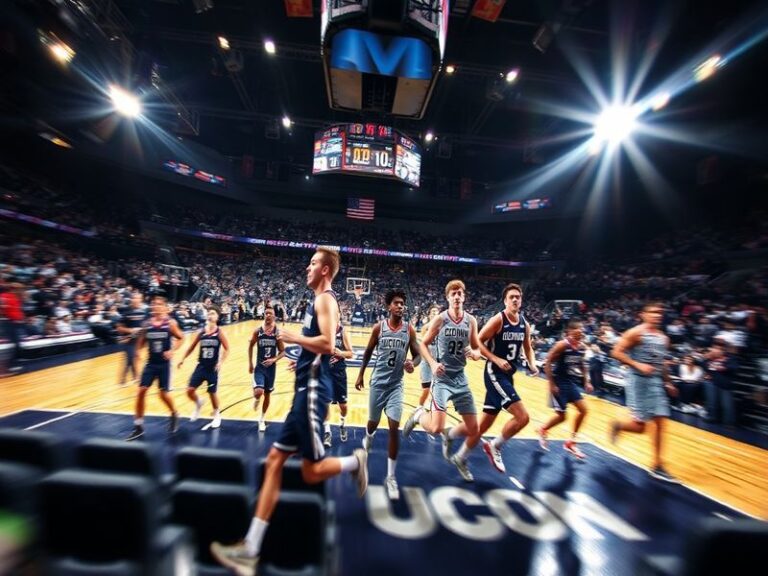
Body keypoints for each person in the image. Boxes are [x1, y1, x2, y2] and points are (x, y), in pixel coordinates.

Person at [211, 248, 368, 576]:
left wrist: (291, 337)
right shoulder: (317, 301)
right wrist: (302, 357)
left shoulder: (326, 299)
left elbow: (327, 343)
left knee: (310, 471)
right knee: (274, 462)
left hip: (312, 392)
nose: (307, 267)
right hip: (304, 387)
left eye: (313, 263)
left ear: (325, 270)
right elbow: (318, 349)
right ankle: (251, 548)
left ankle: (356, 461)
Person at [402, 279, 481, 482]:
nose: (456, 296)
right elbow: (424, 345)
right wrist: (433, 363)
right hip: (443, 379)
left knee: (474, 428)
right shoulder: (440, 319)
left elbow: (477, 348)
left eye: (459, 293)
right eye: (453, 293)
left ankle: (452, 439)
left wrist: (475, 352)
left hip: (460, 378)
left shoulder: (471, 321)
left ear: (464, 296)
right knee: (435, 428)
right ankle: (419, 415)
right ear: (447, 298)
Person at [455, 283, 538, 474]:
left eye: (518, 296)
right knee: (523, 417)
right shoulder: (498, 320)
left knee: (483, 425)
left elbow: (528, 348)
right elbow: (477, 341)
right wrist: (495, 358)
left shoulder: (524, 324)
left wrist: (532, 364)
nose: (516, 299)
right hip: (494, 373)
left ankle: (460, 456)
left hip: (508, 376)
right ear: (505, 301)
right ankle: (495, 446)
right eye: (512, 297)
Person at [355, 289, 421, 500]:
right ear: (388, 306)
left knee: (394, 428)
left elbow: (418, 354)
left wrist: (413, 362)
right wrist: (360, 375)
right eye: (396, 303)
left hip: (396, 386)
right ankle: (369, 436)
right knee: (373, 423)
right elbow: (366, 353)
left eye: (402, 303)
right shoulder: (379, 328)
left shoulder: (409, 330)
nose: (400, 306)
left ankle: (390, 477)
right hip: (377, 384)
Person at [610, 302, 679, 482]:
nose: (657, 315)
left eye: (660, 312)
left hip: (656, 382)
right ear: (643, 314)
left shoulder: (664, 339)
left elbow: (661, 363)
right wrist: (637, 364)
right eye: (653, 312)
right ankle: (618, 426)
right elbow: (616, 352)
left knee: (661, 421)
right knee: (640, 427)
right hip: (638, 381)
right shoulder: (636, 333)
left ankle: (657, 465)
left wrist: (668, 382)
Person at [126, 295, 184, 441]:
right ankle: (138, 426)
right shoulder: (147, 324)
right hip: (151, 363)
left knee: (163, 394)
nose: (156, 306)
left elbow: (181, 338)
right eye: (153, 304)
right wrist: (138, 353)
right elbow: (139, 343)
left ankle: (174, 413)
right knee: (141, 391)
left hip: (164, 364)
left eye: (159, 304)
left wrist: (172, 350)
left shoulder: (170, 323)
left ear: (165, 307)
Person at [538, 319, 593, 459]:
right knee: (562, 416)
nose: (581, 333)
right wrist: (551, 384)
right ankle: (543, 429)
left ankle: (571, 442)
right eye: (578, 331)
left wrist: (587, 381)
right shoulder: (562, 345)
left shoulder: (581, 347)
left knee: (584, 411)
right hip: (558, 381)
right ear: (569, 332)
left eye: (582, 331)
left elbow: (583, 365)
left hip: (570, 381)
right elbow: (547, 363)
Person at [177, 308, 229, 429]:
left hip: (212, 368)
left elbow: (227, 349)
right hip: (201, 366)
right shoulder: (201, 332)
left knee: (212, 393)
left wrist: (220, 362)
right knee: (189, 390)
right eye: (209, 313)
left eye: (213, 313)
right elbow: (191, 347)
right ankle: (198, 402)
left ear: (217, 317)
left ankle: (217, 414)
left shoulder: (219, 332)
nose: (210, 315)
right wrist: (182, 358)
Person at [248, 305, 285, 432]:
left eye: (270, 313)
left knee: (267, 394)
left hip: (271, 369)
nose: (268, 315)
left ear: (274, 316)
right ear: (264, 315)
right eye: (266, 313)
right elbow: (250, 346)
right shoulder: (257, 331)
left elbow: (283, 352)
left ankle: (262, 418)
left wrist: (274, 359)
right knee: (259, 392)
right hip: (259, 367)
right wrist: (250, 364)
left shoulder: (277, 333)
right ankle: (257, 398)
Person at [325, 322, 354, 446]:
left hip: (339, 373)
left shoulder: (342, 332)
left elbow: (350, 354)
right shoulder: (324, 329)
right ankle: (327, 432)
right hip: (325, 372)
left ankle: (342, 422)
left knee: (343, 406)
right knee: (325, 403)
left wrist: (340, 353)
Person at [115, 293, 147, 386]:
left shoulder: (143, 311)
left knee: (135, 357)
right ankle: (122, 381)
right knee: (130, 358)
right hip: (128, 339)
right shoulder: (126, 311)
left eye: (139, 298)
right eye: (135, 298)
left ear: (141, 299)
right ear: (132, 299)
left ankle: (136, 378)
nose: (137, 300)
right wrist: (130, 330)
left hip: (139, 340)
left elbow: (144, 325)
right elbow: (119, 328)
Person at [417, 305, 441, 409]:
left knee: (438, 389)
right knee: (426, 390)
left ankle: (435, 408)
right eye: (433, 312)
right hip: (426, 363)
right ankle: (419, 407)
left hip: (438, 362)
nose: (435, 313)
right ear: (429, 315)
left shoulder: (443, 327)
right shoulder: (425, 327)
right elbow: (422, 345)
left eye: (437, 312)